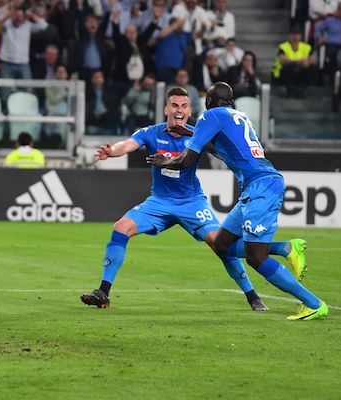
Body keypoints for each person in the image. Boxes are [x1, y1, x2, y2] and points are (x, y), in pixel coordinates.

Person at [82, 87, 286, 312]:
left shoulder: (199, 133)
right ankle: (103, 293)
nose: (179, 110)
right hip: (159, 201)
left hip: (191, 202)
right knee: (121, 228)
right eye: (175, 105)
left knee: (218, 244)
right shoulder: (151, 132)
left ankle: (252, 296)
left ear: (189, 111)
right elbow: (128, 144)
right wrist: (112, 151)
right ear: (166, 109)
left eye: (184, 106)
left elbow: (225, 152)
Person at [146, 82, 328, 321]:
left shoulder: (209, 115)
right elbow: (222, 150)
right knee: (221, 244)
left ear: (208, 103)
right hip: (256, 187)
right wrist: (191, 132)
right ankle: (285, 248)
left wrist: (164, 162)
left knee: (256, 257)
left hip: (261, 187)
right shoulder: (239, 116)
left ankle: (313, 303)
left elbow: (186, 160)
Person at [271, 27, 316, 98]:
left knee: (311, 68)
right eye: (293, 35)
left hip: (301, 71)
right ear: (290, 36)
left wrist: (306, 62)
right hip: (284, 73)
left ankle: (303, 92)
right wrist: (299, 61)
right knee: (288, 67)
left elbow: (313, 60)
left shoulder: (307, 47)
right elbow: (282, 60)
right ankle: (289, 92)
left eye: (297, 35)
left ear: (300, 36)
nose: (295, 37)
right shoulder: (283, 46)